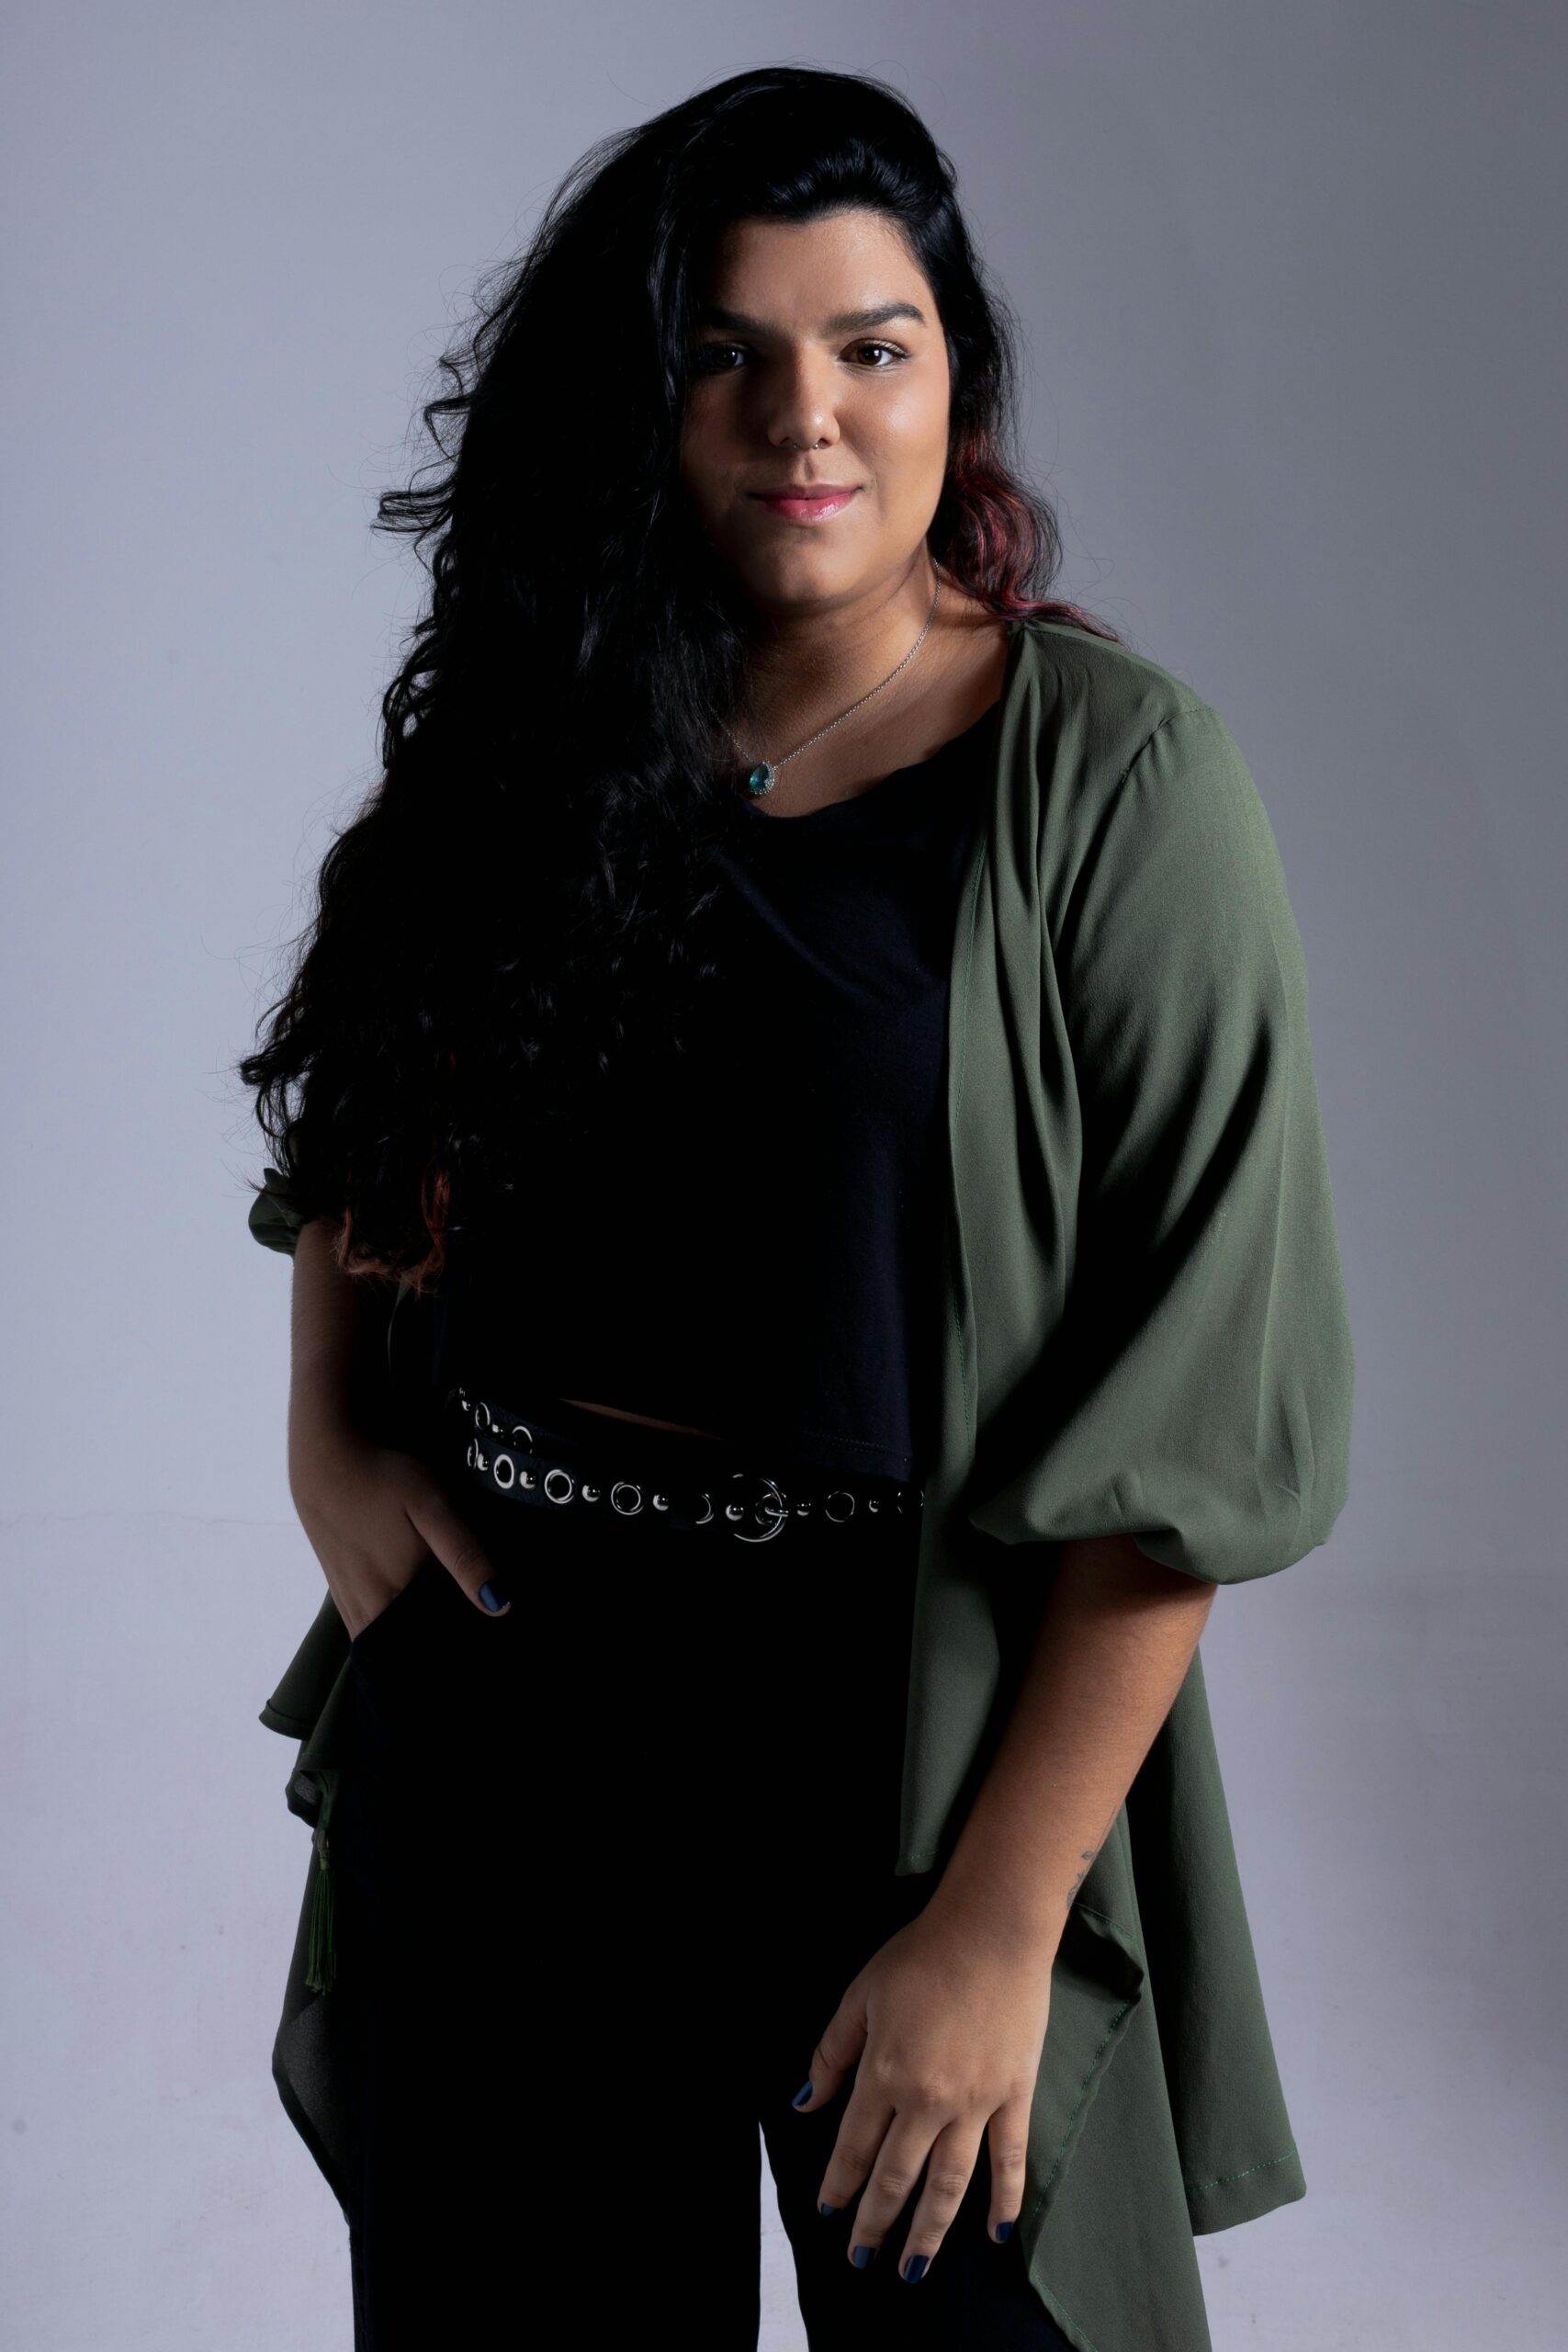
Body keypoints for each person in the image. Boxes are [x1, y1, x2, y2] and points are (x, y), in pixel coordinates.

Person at [238, 64, 1353, 2352]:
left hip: (906, 1762)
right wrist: (329, 1424)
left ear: (955, 377)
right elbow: (368, 1098)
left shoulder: (1113, 778)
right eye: (723, 353)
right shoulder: (537, 732)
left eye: (870, 345)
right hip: (510, 1712)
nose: (803, 416)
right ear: (638, 402)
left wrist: (999, 1923)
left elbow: (1197, 1418)